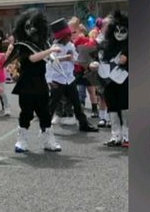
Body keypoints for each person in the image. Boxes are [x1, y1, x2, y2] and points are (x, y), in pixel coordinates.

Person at [5, 9, 62, 154]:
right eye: (27, 27)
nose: (31, 30)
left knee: (45, 113)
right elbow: (32, 58)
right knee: (26, 113)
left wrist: (59, 57)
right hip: (26, 84)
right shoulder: (22, 46)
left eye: (34, 26)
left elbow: (48, 59)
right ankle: (22, 140)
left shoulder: (43, 44)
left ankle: (48, 140)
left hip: (41, 84)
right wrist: (50, 51)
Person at [45, 19, 97, 134]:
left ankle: (83, 124)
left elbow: (76, 59)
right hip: (57, 80)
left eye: (71, 34)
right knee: (52, 104)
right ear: (62, 36)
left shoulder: (71, 45)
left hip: (69, 79)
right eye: (68, 35)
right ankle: (45, 126)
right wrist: (49, 80)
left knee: (77, 103)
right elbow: (50, 61)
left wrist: (87, 64)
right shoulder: (55, 46)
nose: (70, 36)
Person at [91, 11, 128, 148]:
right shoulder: (104, 44)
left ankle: (126, 136)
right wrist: (92, 64)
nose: (118, 33)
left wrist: (128, 60)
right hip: (108, 82)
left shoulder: (128, 45)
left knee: (125, 108)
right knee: (112, 108)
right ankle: (115, 136)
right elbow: (96, 59)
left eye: (122, 30)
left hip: (124, 82)